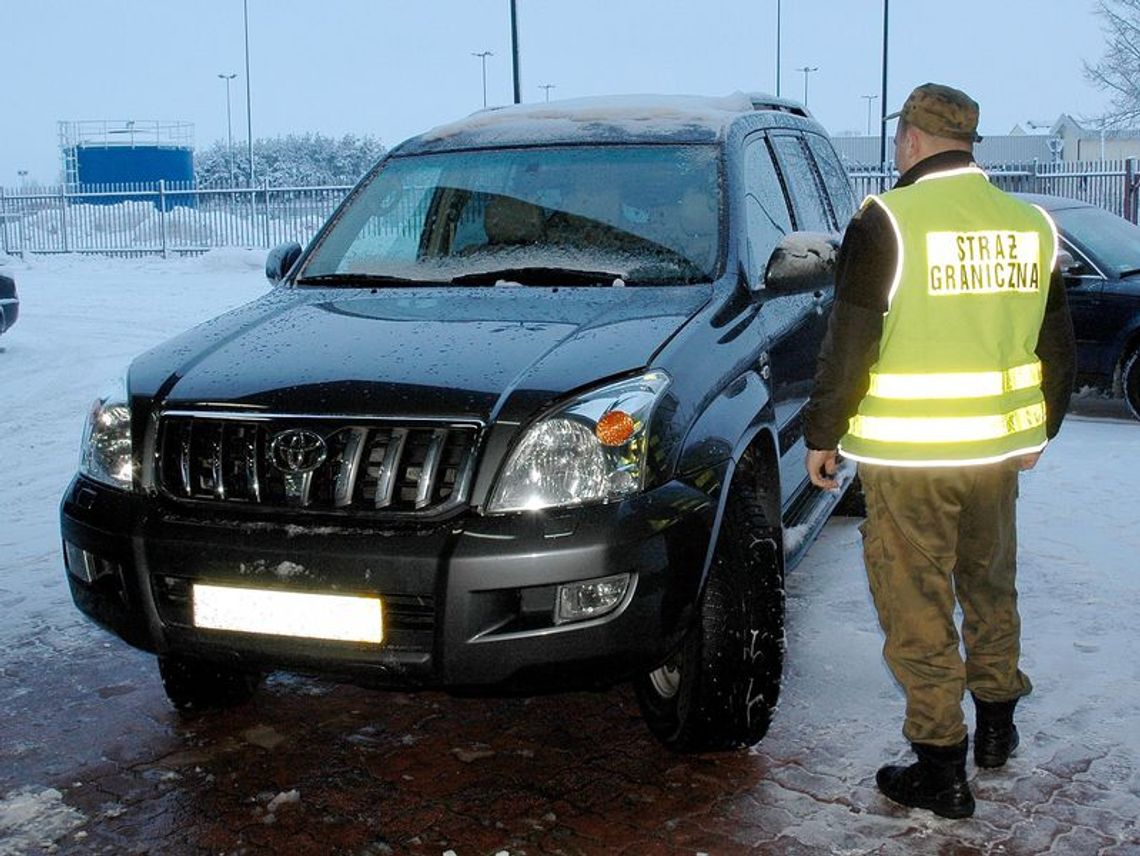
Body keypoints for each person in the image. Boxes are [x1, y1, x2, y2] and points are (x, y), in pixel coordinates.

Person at [802, 82, 1076, 819]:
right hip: (995, 456)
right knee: (989, 585)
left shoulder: (887, 220)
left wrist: (822, 434)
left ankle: (940, 765)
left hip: (911, 457)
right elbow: (1057, 345)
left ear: (911, 140)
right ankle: (997, 730)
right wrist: (1039, 430)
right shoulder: (1029, 224)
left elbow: (850, 342)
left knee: (916, 602)